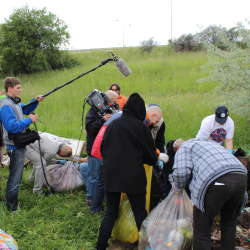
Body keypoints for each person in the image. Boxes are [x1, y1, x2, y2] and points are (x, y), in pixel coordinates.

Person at [96, 93, 158, 250]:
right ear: (139, 110)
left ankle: (100, 246)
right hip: (133, 177)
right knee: (139, 213)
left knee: (110, 212)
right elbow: (151, 157)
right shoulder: (141, 128)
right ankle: (148, 246)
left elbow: (103, 149)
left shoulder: (113, 125)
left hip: (111, 175)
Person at [171, 139, 247, 250]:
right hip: (241, 176)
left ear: (176, 150)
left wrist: (176, 189)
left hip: (215, 180)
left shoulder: (184, 147)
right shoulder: (211, 144)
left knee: (202, 230)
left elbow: (181, 173)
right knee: (229, 223)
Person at [0, 77, 44, 211]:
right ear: (10, 88)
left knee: (16, 177)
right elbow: (12, 127)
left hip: (18, 145)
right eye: (18, 88)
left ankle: (10, 202)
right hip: (14, 147)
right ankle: (12, 208)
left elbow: (23, 109)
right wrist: (29, 120)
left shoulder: (15, 102)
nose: (21, 90)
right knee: (15, 179)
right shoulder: (6, 106)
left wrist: (35, 101)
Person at [85, 90, 117, 213]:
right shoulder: (93, 111)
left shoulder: (112, 108)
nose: (116, 103)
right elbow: (90, 129)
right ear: (108, 100)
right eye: (114, 100)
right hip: (94, 151)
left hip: (107, 150)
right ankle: (94, 207)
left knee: (104, 178)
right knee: (95, 178)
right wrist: (102, 120)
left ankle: (102, 202)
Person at [146, 104, 167, 209]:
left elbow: (160, 141)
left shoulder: (160, 123)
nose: (155, 123)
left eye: (157, 121)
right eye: (154, 120)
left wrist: (161, 157)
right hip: (143, 152)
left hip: (153, 150)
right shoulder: (141, 120)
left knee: (157, 175)